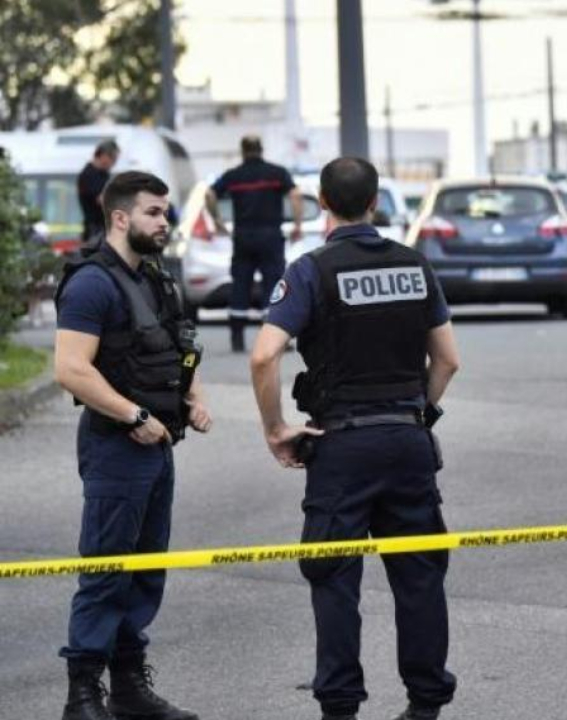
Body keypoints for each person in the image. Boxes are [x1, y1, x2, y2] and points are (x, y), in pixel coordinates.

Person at [249, 157, 460, 720]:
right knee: (419, 576)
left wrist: (276, 430)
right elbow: (448, 360)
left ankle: (340, 708)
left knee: (334, 579)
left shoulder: (311, 271)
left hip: (341, 446)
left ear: (322, 201)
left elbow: (264, 353)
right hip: (407, 442)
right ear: (375, 203)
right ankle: (425, 704)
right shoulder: (416, 266)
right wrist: (421, 410)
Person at [53, 171, 212, 720]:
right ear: (120, 217)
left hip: (156, 446)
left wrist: (193, 395)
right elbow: (70, 369)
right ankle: (82, 695)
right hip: (117, 446)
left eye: (166, 212)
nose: (164, 223)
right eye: (153, 212)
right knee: (106, 570)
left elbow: (174, 346)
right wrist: (133, 414)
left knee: (144, 570)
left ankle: (127, 689)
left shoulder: (154, 278)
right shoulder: (92, 283)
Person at [206, 135, 304, 353]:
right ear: (262, 149)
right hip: (270, 236)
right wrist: (298, 224)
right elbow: (296, 195)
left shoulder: (234, 176)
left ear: (242, 151)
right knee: (274, 286)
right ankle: (275, 339)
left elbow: (210, 194)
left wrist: (217, 221)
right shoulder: (277, 173)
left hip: (243, 236)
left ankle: (237, 338)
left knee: (240, 285)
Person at [77, 140, 119, 248]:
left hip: (105, 228)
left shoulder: (104, 175)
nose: (114, 164)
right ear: (104, 156)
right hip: (95, 230)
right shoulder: (88, 175)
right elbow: (101, 199)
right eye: (113, 159)